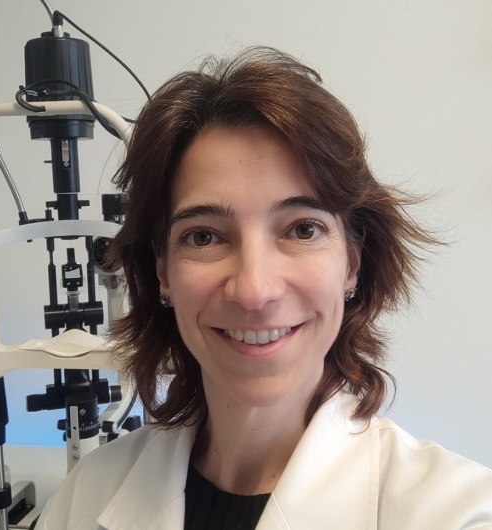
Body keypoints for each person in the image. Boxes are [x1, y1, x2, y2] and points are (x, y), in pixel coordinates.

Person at [35, 47, 492, 530]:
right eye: (204, 236)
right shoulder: (86, 496)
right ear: (162, 272)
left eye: (302, 229)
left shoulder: (457, 512)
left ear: (352, 264)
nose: (254, 291)